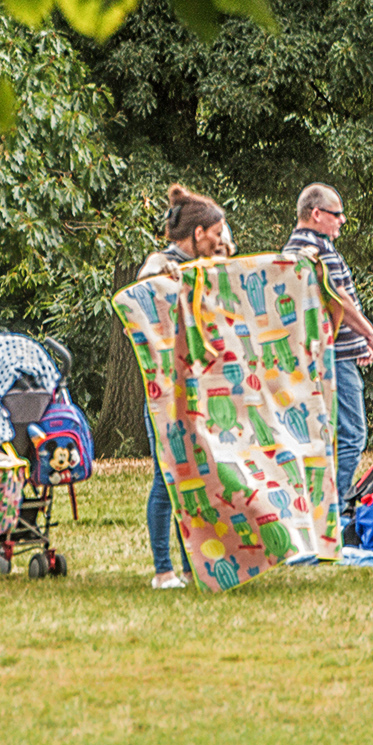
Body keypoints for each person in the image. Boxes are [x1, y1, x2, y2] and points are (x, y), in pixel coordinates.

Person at [138, 185, 230, 589]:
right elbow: (144, 284)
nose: (220, 240)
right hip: (164, 391)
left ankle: (194, 567)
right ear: (198, 234)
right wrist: (163, 276)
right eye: (216, 233)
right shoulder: (163, 261)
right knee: (166, 478)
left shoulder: (205, 266)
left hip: (197, 389)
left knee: (195, 479)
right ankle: (163, 570)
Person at [283, 183, 373, 532]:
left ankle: (318, 507)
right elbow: (337, 299)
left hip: (315, 358)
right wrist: (369, 334)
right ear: (316, 214)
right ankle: (336, 509)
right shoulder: (317, 249)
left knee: (321, 435)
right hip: (334, 360)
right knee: (353, 434)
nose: (342, 220)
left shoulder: (292, 249)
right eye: (336, 213)